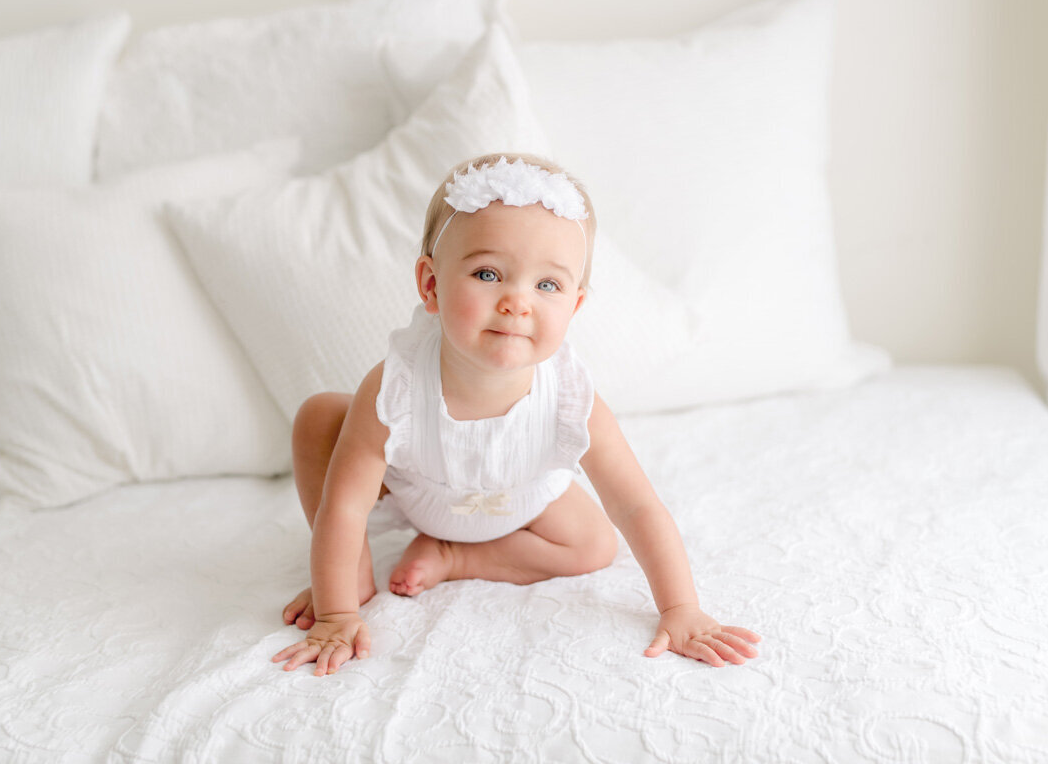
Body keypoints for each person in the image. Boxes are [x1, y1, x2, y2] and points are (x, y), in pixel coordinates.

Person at [272, 153, 760, 676]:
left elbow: (639, 507)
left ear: (574, 306)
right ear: (431, 285)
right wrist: (337, 611)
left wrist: (681, 609)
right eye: (488, 273)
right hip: (417, 490)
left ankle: (456, 558)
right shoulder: (395, 388)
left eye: (546, 285)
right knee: (321, 416)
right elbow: (345, 507)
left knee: (596, 544)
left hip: (521, 504)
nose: (517, 302)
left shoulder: (572, 399)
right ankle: (356, 576)